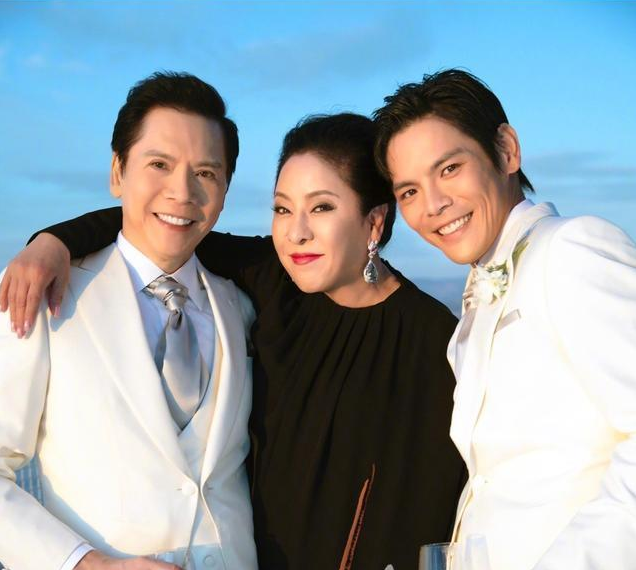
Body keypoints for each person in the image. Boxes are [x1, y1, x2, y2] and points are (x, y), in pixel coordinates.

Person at [0, 113, 466, 570]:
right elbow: (162, 222)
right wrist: (54, 242)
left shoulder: (434, 341)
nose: (296, 232)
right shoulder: (271, 281)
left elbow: (442, 505)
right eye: (282, 209)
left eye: (322, 207)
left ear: (375, 221)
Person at [372, 69, 636, 570]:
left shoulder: (571, 249)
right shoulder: (473, 312)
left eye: (450, 168)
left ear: (507, 151)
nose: (433, 205)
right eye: (409, 192)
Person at [0, 72, 258, 570]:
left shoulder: (242, 305)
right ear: (117, 172)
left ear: (225, 189)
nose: (183, 192)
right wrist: (85, 563)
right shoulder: (41, 293)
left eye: (206, 173)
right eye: (159, 164)